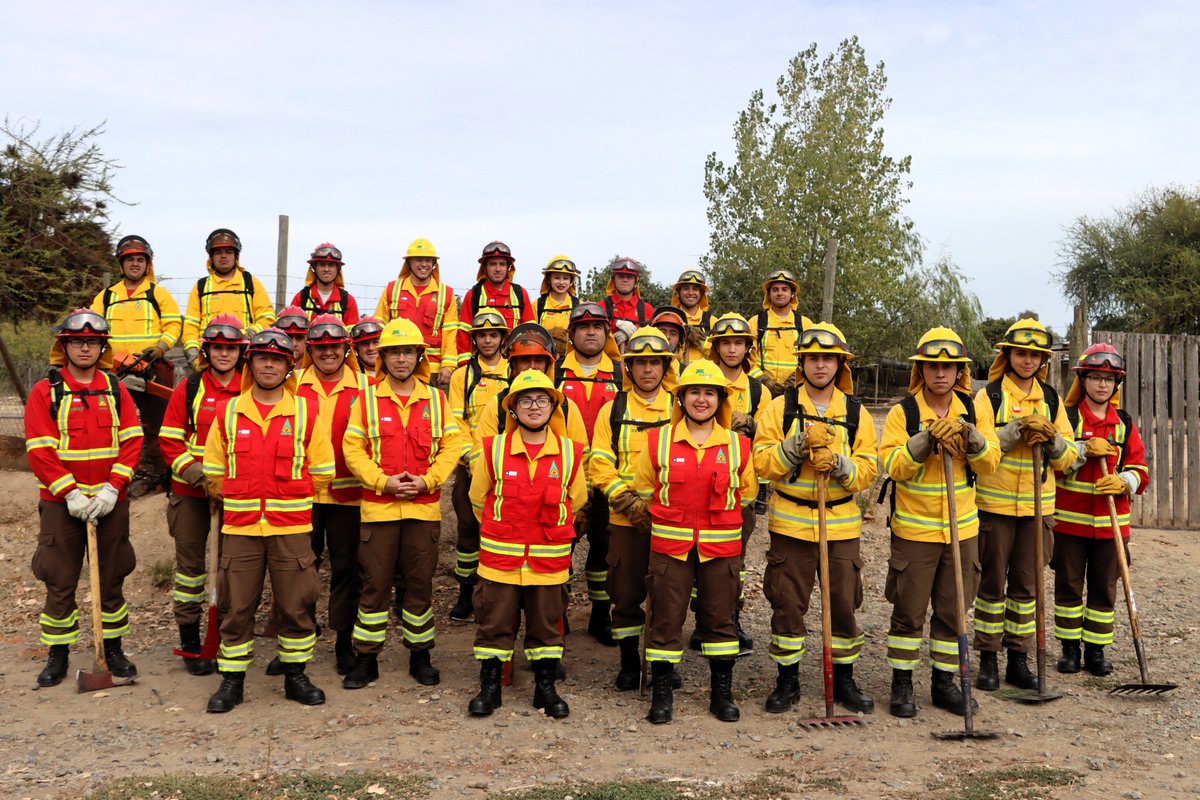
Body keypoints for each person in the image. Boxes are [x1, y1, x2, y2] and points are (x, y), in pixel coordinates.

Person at [201, 328, 334, 712]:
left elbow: (323, 469)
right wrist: (244, 496)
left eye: (278, 359)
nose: (270, 365)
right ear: (251, 363)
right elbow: (213, 469)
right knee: (236, 606)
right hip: (240, 530)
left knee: (296, 606)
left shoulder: (306, 411)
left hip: (290, 530)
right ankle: (232, 681)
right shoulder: (229, 411)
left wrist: (286, 497)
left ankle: (296, 677)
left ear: (290, 365)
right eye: (262, 358)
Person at [752, 322, 878, 713]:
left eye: (828, 359)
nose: (820, 366)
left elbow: (869, 470)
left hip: (840, 524)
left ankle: (843, 680)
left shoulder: (856, 412)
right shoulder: (780, 408)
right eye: (813, 358)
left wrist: (840, 465)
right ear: (801, 363)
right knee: (787, 603)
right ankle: (787, 682)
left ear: (840, 364)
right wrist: (794, 447)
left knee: (842, 603)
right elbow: (761, 463)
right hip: (790, 522)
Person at [879, 327, 1000, 717]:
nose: (941, 374)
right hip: (915, 530)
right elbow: (893, 466)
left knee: (953, 610)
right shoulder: (904, 412)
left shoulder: (974, 409)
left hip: (962, 529)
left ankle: (945, 684)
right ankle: (902, 686)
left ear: (960, 371)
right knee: (909, 612)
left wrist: (973, 439)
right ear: (921, 370)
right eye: (933, 366)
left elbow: (991, 462)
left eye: (949, 367)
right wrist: (924, 441)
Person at [341, 319, 468, 689]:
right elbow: (353, 449)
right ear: (383, 357)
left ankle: (420, 656)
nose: (401, 359)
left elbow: (451, 446)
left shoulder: (436, 399)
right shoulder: (365, 399)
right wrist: (383, 482)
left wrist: (429, 480)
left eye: (407, 351)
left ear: (418, 356)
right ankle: (367, 659)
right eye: (394, 352)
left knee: (419, 586)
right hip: (378, 510)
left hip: (422, 511)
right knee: (374, 586)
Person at [634, 359, 756, 724]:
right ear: (681, 398)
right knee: (666, 621)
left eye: (709, 393)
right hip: (671, 550)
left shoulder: (738, 445)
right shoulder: (658, 441)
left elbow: (747, 495)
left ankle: (722, 694)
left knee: (720, 621)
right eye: (694, 393)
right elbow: (644, 488)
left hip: (721, 550)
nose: (701, 400)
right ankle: (661, 695)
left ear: (721, 399)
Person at [27, 309, 143, 687]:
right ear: (64, 345)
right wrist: (70, 493)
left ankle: (113, 650)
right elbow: (40, 450)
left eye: (92, 342)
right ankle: (57, 654)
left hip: (111, 502)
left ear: (101, 347)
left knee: (111, 579)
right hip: (64, 504)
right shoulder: (46, 391)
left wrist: (113, 487)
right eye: (77, 341)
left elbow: (132, 440)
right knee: (60, 580)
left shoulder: (115, 388)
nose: (85, 348)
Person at [466, 369, 588, 718]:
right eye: (525, 400)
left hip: (548, 562)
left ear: (553, 407)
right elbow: (478, 500)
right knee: (494, 625)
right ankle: (490, 688)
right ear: (513, 409)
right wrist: (505, 533)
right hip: (500, 562)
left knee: (546, 627)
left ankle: (545, 688)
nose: (534, 406)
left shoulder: (569, 452)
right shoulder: (493, 448)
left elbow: (576, 501)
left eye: (542, 400)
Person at [972, 318, 1078, 691]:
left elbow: (1069, 458)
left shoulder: (1052, 399)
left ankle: (1018, 660)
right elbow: (979, 448)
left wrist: (1051, 441)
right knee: (990, 587)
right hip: (994, 508)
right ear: (1007, 354)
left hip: (1037, 510)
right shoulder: (989, 397)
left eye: (1035, 355)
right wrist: (1012, 433)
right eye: (1021, 353)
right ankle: (987, 659)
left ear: (1043, 360)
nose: (1027, 361)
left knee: (1027, 588)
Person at [1052, 344, 1148, 676]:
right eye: (1095, 377)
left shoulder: (1124, 423)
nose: (1102, 385)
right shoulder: (1068, 418)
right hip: (1070, 524)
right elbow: (1054, 463)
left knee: (1105, 588)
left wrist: (1124, 481)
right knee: (1068, 586)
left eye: (1109, 379)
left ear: (1116, 384)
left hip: (1112, 526)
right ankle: (1069, 650)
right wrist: (1080, 451)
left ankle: (1095, 651)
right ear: (1083, 379)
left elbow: (1140, 469)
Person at [158, 313, 246, 675]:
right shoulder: (189, 388)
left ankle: (223, 633)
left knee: (229, 568)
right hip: (190, 493)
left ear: (240, 351)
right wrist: (196, 475)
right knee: (192, 571)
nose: (223, 354)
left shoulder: (250, 387)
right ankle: (190, 636)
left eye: (230, 348)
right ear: (206, 350)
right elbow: (169, 439)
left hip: (234, 495)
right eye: (217, 348)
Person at [589, 326, 676, 689]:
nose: (648, 371)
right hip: (625, 518)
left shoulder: (679, 406)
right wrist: (625, 499)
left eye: (655, 363)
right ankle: (628, 661)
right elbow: (598, 461)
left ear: (664, 367)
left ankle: (662, 665)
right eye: (640, 363)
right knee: (624, 593)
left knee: (668, 594)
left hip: (671, 519)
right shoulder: (614, 409)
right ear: (629, 368)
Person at [296, 315, 367, 675]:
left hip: (348, 498)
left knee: (347, 572)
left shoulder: (364, 387)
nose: (328, 353)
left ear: (345, 349)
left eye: (334, 347)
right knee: (300, 571)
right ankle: (298, 642)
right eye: (320, 347)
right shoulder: (293, 385)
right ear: (311, 350)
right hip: (302, 497)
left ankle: (343, 644)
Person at [90, 234, 182, 497]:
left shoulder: (158, 294)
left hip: (153, 367)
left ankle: (159, 476)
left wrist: (161, 347)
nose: (135, 264)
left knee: (158, 425)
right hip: (115, 370)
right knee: (114, 425)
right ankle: (116, 476)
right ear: (121, 264)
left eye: (140, 259)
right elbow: (94, 327)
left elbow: (174, 325)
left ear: (147, 263)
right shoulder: (106, 297)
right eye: (129, 259)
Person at [556, 302, 622, 644]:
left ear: (607, 333)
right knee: (558, 550)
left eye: (598, 326)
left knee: (604, 554)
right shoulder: (555, 373)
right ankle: (557, 618)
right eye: (583, 327)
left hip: (607, 480)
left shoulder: (621, 374)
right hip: (563, 479)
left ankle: (600, 617)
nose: (591, 332)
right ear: (572, 334)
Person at [703, 312, 769, 653]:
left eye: (738, 343)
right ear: (715, 347)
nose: (732, 349)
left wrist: (754, 426)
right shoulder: (701, 381)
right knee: (697, 557)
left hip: (739, 489)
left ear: (748, 348)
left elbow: (770, 441)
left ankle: (730, 617)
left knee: (734, 562)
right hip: (699, 487)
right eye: (725, 343)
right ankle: (703, 621)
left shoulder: (759, 392)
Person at [446, 310, 511, 622]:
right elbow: (456, 421)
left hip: (509, 465)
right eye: (482, 335)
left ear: (502, 338)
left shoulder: (515, 370)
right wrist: (473, 457)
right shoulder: (462, 376)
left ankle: (498, 593)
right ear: (474, 339)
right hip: (471, 464)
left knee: (502, 529)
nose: (488, 340)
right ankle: (466, 593)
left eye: (494, 335)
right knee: (468, 530)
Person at [182, 228, 275, 371]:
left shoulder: (250, 283)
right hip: (208, 359)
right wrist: (193, 353)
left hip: (243, 359)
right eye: (218, 252)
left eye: (228, 252)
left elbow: (267, 317)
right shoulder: (201, 287)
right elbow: (190, 326)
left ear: (236, 255)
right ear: (211, 257)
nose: (223, 256)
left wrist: (249, 333)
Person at [375, 238, 458, 385]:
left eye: (428, 260)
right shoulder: (391, 290)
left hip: (433, 369)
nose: (424, 264)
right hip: (397, 366)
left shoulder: (446, 293)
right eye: (418, 260)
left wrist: (448, 365)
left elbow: (450, 333)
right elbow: (379, 327)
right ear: (408, 263)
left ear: (434, 264)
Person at [456, 241, 534, 361]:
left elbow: (530, 332)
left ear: (508, 268)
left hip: (513, 362)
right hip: (481, 363)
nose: (498, 269)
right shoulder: (474, 295)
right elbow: (463, 334)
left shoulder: (520, 294)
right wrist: (466, 365)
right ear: (484, 268)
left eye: (502, 264)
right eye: (493, 264)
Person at [747, 269, 812, 396]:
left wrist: (796, 379)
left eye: (784, 289)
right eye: (775, 289)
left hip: (796, 393)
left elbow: (812, 358)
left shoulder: (805, 325)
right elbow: (746, 360)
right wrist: (764, 381)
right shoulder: (756, 323)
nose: (780, 293)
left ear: (792, 294)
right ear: (769, 294)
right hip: (761, 392)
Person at [291, 242, 361, 324]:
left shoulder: (348, 301)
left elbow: (352, 335)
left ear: (338, 269)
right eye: (322, 264)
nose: (326, 269)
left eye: (331, 265)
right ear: (314, 268)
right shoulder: (300, 298)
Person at [601, 257, 655, 346]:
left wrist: (637, 332)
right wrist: (615, 325)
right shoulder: (601, 307)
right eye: (621, 276)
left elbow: (653, 338)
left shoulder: (647, 309)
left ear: (636, 281)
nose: (625, 280)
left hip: (638, 359)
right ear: (613, 279)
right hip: (608, 359)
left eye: (629, 277)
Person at [670, 270, 716, 363]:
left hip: (707, 376)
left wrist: (700, 342)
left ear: (702, 293)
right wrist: (682, 338)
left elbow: (719, 356)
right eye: (686, 288)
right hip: (678, 376)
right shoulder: (671, 320)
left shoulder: (712, 322)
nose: (690, 293)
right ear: (678, 292)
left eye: (695, 289)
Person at [536, 255, 581, 345]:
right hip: (544, 357)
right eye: (556, 277)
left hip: (572, 357)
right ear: (549, 279)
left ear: (571, 281)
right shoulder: (537, 305)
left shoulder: (580, 306)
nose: (561, 282)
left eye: (566, 278)